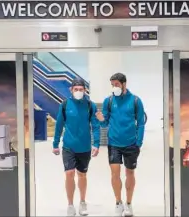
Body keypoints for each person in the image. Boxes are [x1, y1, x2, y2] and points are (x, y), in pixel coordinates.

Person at [96, 73, 145, 216]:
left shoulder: (136, 101)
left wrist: (138, 142)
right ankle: (118, 202)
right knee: (115, 173)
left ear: (124, 84)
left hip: (131, 144)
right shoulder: (108, 101)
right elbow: (105, 123)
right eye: (112, 85)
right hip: (114, 144)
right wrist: (100, 119)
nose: (114, 87)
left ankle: (129, 204)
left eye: (116, 84)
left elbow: (141, 123)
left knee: (130, 173)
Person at [52, 79, 100, 216]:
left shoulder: (90, 106)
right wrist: (55, 144)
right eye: (76, 89)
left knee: (82, 175)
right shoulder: (65, 105)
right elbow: (59, 125)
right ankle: (70, 204)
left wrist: (96, 143)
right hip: (69, 146)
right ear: (71, 90)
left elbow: (95, 126)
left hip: (84, 147)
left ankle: (83, 202)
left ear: (85, 90)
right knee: (69, 173)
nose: (79, 91)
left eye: (81, 89)